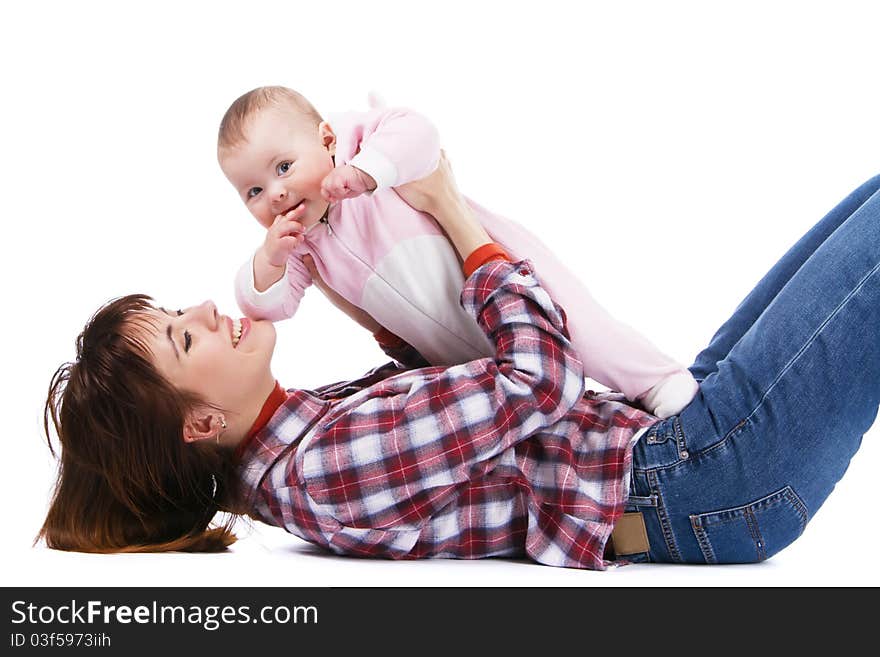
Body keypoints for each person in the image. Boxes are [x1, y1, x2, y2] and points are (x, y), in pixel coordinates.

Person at [42, 156, 880, 568]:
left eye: (177, 312)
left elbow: (454, 385)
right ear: (200, 423)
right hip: (699, 478)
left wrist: (349, 276)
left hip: (676, 446)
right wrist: (450, 209)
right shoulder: (325, 469)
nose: (206, 311)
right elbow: (538, 379)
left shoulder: (297, 435)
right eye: (183, 337)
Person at [218, 86, 697, 419]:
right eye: (253, 191)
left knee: (581, 329)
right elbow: (268, 306)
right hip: (453, 350)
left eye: (284, 166)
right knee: (525, 389)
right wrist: (270, 261)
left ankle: (655, 380)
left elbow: (419, 134)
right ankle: (614, 419)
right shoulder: (301, 247)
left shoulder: (360, 144)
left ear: (326, 139)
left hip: (497, 273)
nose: (275, 193)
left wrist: (367, 172)